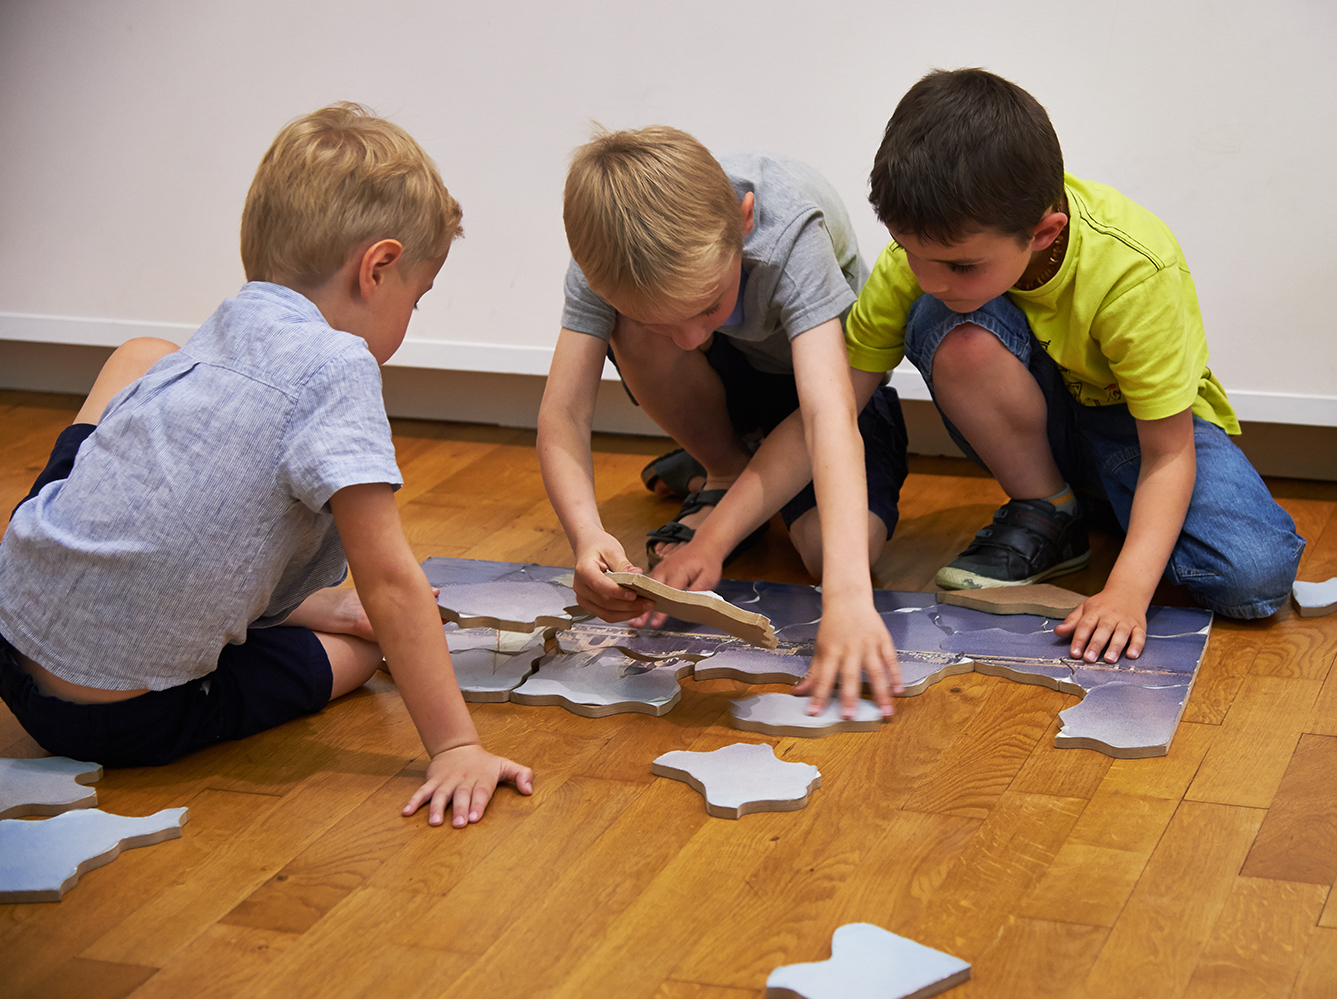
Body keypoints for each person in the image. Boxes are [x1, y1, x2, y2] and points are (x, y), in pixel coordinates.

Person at [0, 103, 532, 827]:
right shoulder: (339, 364)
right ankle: (303, 628)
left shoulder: (232, 317)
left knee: (141, 356)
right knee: (360, 658)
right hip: (117, 719)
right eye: (419, 294)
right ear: (377, 268)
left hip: (12, 630)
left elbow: (201, 505)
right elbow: (389, 579)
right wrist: (455, 743)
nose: (415, 314)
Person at [841, 68, 1304, 665]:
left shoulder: (1134, 269)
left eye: (960, 267)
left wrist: (1128, 593)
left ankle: (1100, 504)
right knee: (947, 326)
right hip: (1040, 419)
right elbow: (832, 410)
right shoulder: (931, 247)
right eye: (911, 253)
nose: (927, 277)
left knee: (1254, 575)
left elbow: (1168, 452)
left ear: (1044, 233)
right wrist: (721, 527)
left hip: (1135, 434)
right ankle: (1051, 508)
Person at [537, 126, 908, 716]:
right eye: (666, 322)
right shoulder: (606, 260)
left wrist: (846, 597)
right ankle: (725, 466)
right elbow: (563, 413)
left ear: (744, 219)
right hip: (728, 380)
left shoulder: (790, 229)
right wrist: (586, 537)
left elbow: (828, 414)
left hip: (825, 382)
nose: (689, 336)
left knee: (843, 550)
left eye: (709, 304)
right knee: (634, 333)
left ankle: (737, 477)